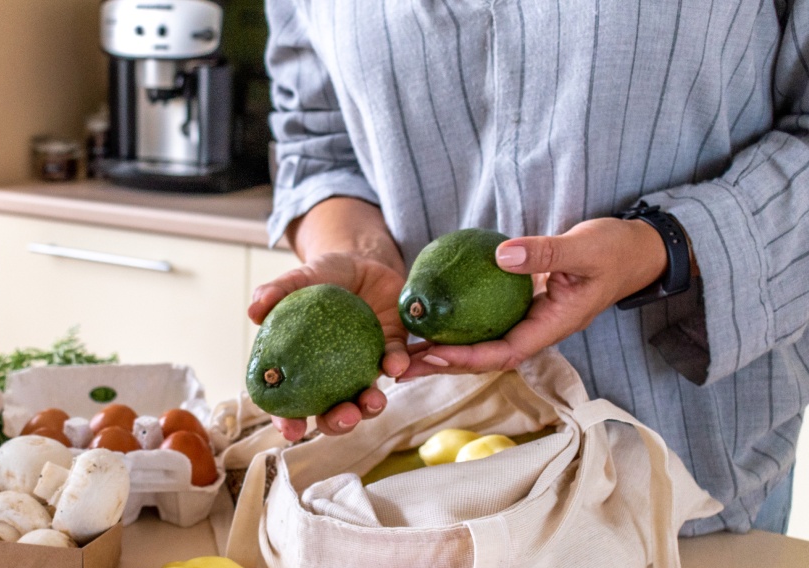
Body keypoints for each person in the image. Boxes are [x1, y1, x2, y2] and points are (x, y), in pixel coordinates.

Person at [252, 1, 809, 535]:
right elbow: (320, 147)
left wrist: (658, 246)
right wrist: (364, 255)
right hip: (427, 485)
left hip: (686, 484)